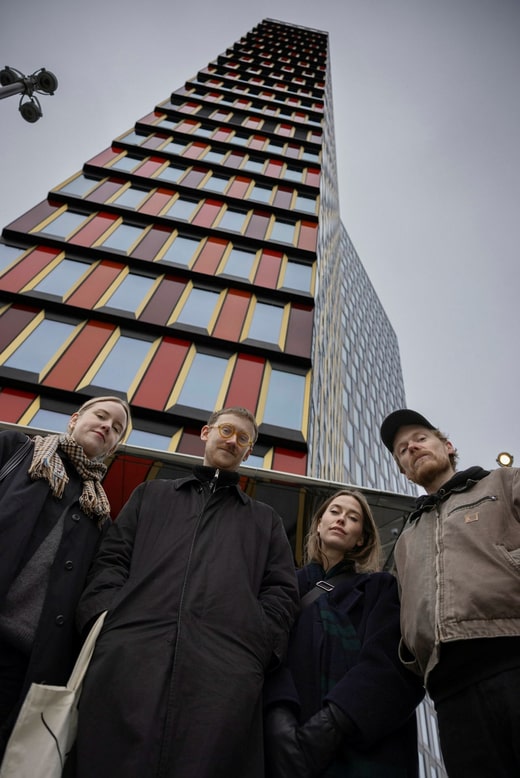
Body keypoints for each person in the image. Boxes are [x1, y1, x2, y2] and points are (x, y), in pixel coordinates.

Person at [69, 406, 299, 778]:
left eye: (243, 438)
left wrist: (255, 646)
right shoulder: (151, 495)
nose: (232, 441)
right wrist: (108, 621)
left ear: (248, 452)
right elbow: (111, 559)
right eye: (226, 430)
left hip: (225, 676)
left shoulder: (265, 520)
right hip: (128, 657)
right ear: (206, 433)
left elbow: (282, 592)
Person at [380, 408, 520, 777]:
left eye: (420, 438)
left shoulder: (503, 483)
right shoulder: (406, 539)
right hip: (451, 693)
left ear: (448, 445)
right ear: (404, 472)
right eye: (402, 450)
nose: (412, 448)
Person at [0, 395, 131, 757]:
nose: (106, 426)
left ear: (113, 447)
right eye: (101, 416)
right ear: (74, 419)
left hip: (22, 663)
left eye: (116, 428)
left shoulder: (99, 514)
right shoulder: (16, 450)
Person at [264, 489, 424, 777]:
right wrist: (277, 719)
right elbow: (263, 648)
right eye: (335, 512)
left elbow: (393, 663)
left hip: (360, 748)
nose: (341, 520)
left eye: (353, 518)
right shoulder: (284, 584)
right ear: (319, 524)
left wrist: (332, 723)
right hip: (281, 746)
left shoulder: (381, 588)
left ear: (361, 538)